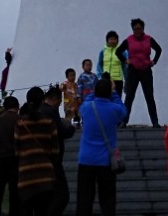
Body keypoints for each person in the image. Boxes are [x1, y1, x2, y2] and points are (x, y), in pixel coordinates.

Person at [75, 76, 126, 216]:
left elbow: (86, 101)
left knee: (84, 199)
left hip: (86, 159)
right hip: (106, 161)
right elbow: (124, 111)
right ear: (109, 92)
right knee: (108, 198)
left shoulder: (86, 107)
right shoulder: (114, 109)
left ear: (95, 91)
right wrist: (114, 92)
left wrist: (93, 91)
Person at [15, 86, 59, 216]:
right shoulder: (49, 122)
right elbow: (55, 151)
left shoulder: (20, 124)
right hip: (45, 178)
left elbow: (17, 152)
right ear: (42, 102)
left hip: (26, 178)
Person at [117, 18, 163, 127]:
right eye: (135, 29)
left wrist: (154, 61)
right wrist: (125, 60)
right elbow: (118, 51)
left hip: (146, 70)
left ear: (143, 28)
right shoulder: (129, 40)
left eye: (139, 29)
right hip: (133, 70)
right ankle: (124, 121)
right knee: (129, 96)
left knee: (149, 96)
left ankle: (155, 121)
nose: (137, 31)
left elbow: (159, 49)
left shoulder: (149, 39)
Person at [42, 86, 76, 216]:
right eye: (59, 101)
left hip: (43, 158)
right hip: (54, 158)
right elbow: (60, 132)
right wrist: (71, 129)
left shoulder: (41, 110)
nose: (59, 104)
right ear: (54, 99)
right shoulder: (51, 112)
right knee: (62, 196)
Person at [0, 95, 20, 216]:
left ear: (5, 107)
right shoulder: (19, 119)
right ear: (17, 107)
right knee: (14, 194)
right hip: (14, 158)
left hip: (0, 158)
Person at [97, 31, 127, 98]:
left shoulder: (122, 51)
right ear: (107, 40)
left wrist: (127, 80)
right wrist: (99, 77)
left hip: (118, 80)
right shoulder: (103, 51)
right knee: (105, 99)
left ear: (117, 40)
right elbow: (99, 65)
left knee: (117, 98)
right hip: (106, 80)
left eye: (114, 39)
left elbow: (125, 66)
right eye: (111, 39)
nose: (113, 41)